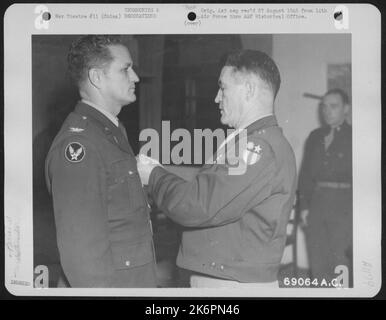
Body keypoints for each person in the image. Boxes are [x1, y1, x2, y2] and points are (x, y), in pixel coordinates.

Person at [137, 50, 297, 287]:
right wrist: (161, 168)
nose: (216, 98)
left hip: (230, 284)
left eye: (223, 88)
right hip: (226, 277)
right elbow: (208, 180)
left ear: (249, 90)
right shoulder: (248, 141)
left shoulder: (256, 147)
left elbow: (196, 204)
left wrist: (154, 176)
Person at [45, 35, 157, 288]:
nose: (136, 78)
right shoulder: (80, 145)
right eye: (125, 69)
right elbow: (84, 256)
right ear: (96, 77)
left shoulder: (110, 132)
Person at [298, 88, 352, 287]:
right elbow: (304, 175)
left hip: (345, 207)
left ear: (346, 109)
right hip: (316, 205)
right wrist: (304, 206)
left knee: (341, 262)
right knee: (318, 262)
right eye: (324, 107)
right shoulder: (314, 136)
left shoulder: (356, 137)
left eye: (334, 106)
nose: (327, 111)